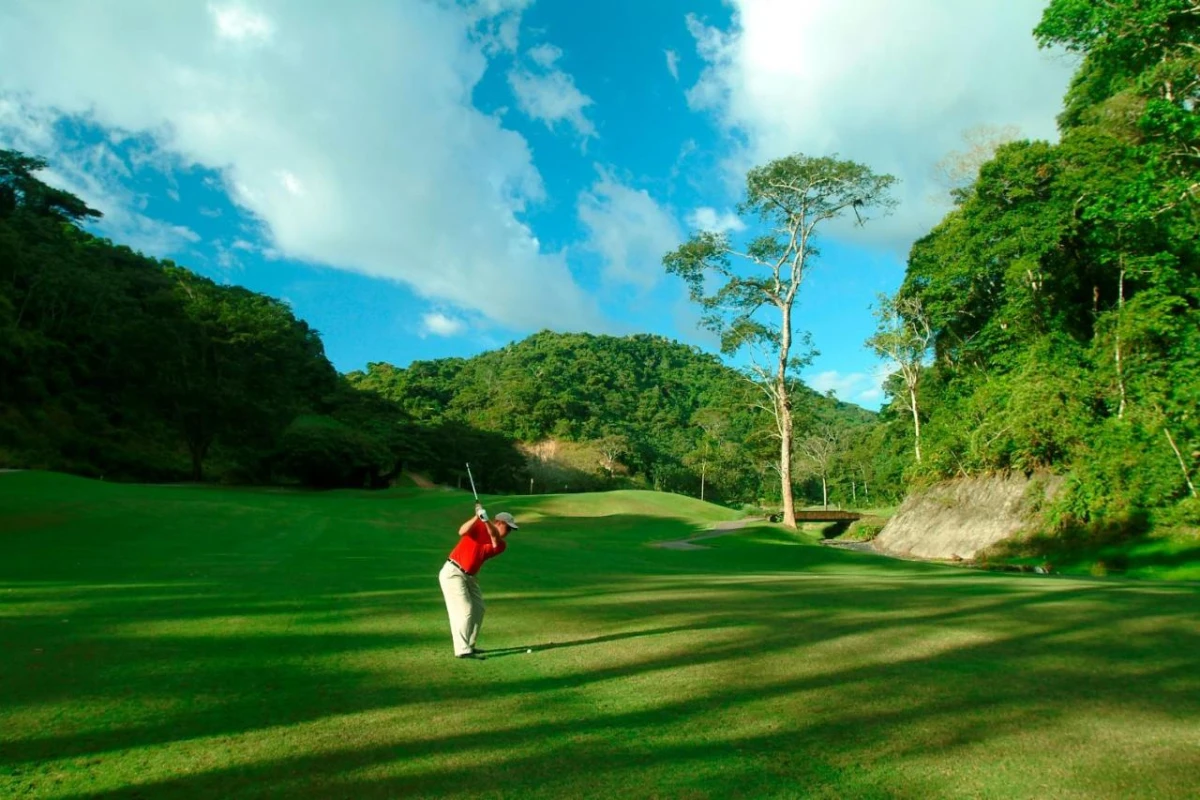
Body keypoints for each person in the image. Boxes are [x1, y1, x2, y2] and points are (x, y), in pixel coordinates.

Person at [438, 502, 519, 659]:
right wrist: (477, 516)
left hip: (470, 577)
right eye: (508, 528)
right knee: (465, 609)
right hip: (453, 572)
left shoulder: (501, 545)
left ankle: (469, 645)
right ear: (499, 523)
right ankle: (462, 649)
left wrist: (486, 520)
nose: (509, 532)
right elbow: (461, 531)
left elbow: (494, 537)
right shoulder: (478, 527)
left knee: (479, 608)